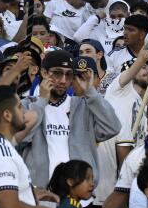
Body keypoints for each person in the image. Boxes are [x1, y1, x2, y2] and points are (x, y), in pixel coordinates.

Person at [20, 49, 120, 188]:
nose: (63, 80)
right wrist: (42, 101)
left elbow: (112, 128)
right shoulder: (26, 105)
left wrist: (91, 93)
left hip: (79, 196)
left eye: (69, 75)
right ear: (43, 73)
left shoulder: (83, 105)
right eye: (57, 73)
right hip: (40, 195)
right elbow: (20, 139)